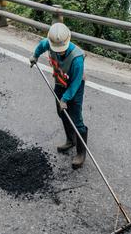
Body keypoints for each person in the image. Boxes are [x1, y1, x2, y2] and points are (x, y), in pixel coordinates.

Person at [30, 23, 88, 169]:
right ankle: (71, 140)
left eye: (62, 50)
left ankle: (81, 153)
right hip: (60, 83)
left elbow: (75, 85)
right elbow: (42, 45)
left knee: (75, 118)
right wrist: (34, 56)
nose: (60, 52)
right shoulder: (50, 43)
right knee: (62, 113)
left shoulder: (77, 59)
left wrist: (65, 99)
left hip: (74, 88)